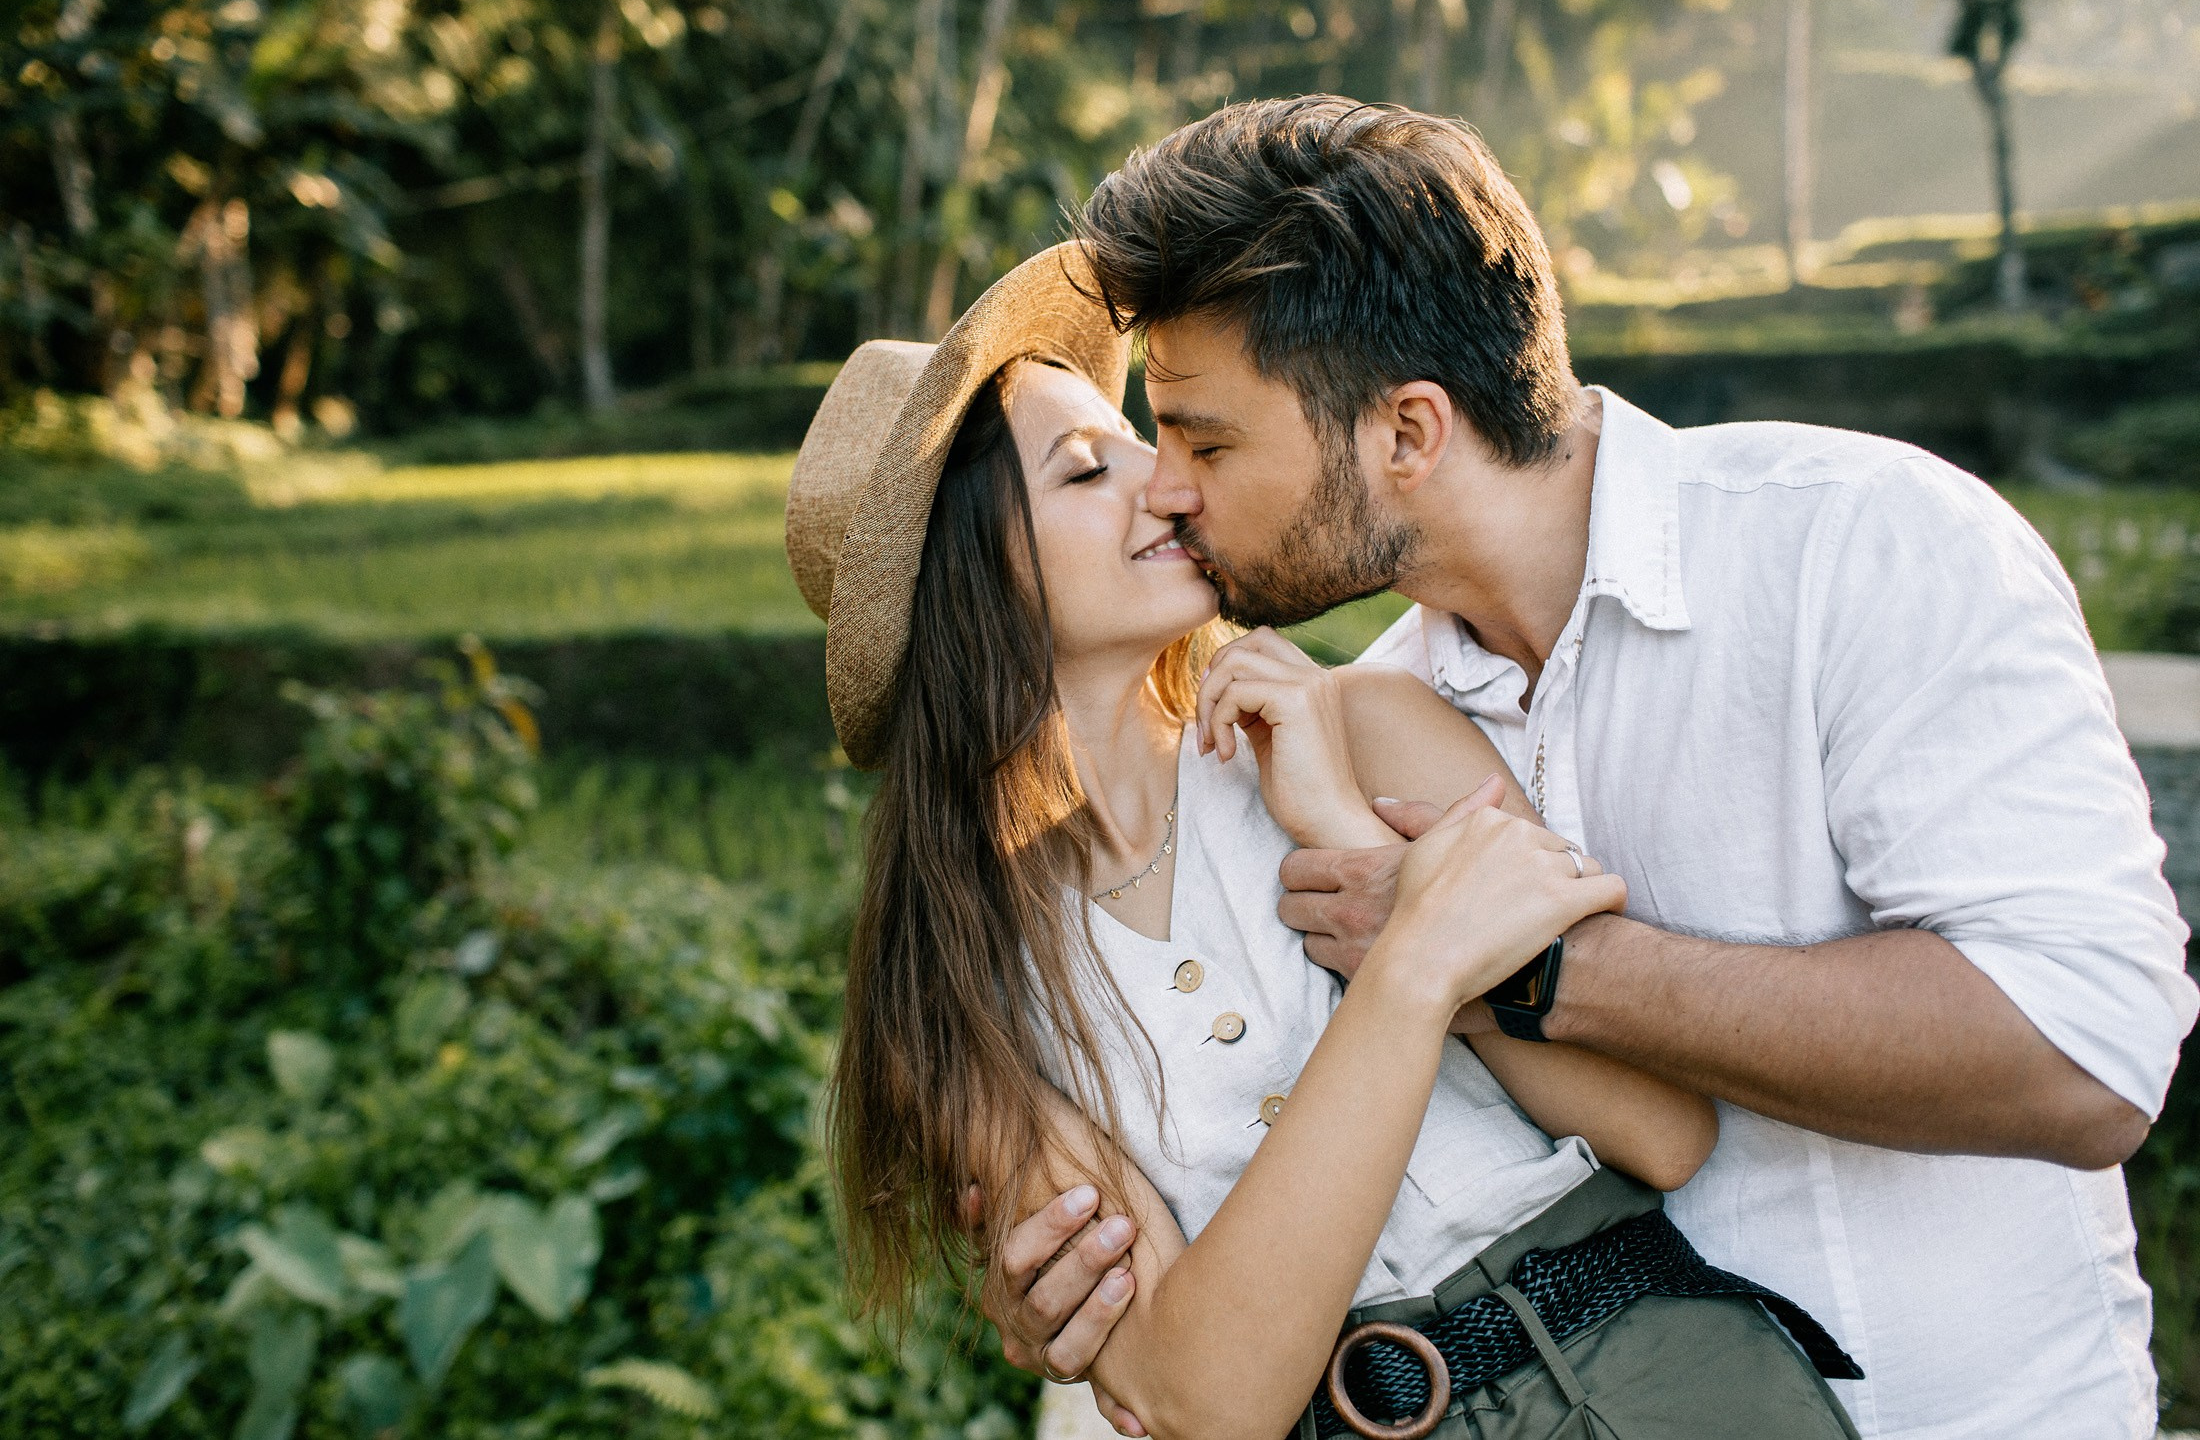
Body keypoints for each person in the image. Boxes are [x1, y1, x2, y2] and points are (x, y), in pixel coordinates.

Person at [985, 97, 2196, 1439]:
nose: (1172, 489)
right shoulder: (1360, 720)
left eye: (1208, 444)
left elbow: (2085, 1051)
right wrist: (1090, 1298)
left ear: (1407, 433)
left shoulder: (1863, 548)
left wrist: (1510, 963)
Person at [786, 244, 1866, 1439]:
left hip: (1657, 1381)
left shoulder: (1366, 731)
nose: (1169, 484)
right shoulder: (966, 995)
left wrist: (1350, 841)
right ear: (968, 578)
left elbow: (1662, 1131)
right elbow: (1207, 1398)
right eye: (1090, 468)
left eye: (1152, 442)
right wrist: (1412, 965)